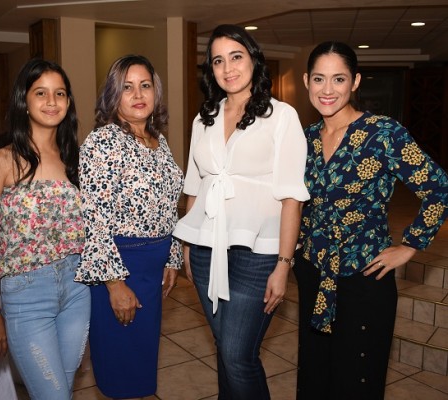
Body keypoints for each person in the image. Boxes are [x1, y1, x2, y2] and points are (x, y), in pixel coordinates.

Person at [295, 41, 448, 400]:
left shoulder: (384, 132)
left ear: (355, 82)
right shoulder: (305, 139)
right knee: (315, 376)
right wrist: (298, 243)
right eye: (319, 79)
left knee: (357, 379)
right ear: (306, 81)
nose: (328, 90)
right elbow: (297, 201)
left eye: (339, 79)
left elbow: (439, 188)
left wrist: (409, 246)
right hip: (314, 272)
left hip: (365, 277)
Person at [173, 24, 310, 399]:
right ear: (211, 70)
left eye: (236, 56)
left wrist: (284, 264)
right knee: (226, 351)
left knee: (237, 354)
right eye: (218, 60)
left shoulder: (281, 116)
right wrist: (188, 247)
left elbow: (292, 199)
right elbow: (195, 187)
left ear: (253, 61)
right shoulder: (204, 119)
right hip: (204, 250)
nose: (228, 68)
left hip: (258, 256)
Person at [0, 58, 91, 400]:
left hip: (77, 289)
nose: (52, 102)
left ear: (68, 103)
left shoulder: (74, 159)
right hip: (26, 295)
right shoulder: (0, 162)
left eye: (60, 93)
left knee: (61, 391)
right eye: (41, 93)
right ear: (24, 100)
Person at [76, 54, 184, 399]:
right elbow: (92, 219)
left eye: (145, 85)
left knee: (141, 370)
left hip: (152, 268)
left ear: (156, 92)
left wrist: (171, 257)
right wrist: (114, 284)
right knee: (121, 373)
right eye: (127, 87)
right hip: (121, 266)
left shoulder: (157, 140)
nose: (138, 94)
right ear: (113, 95)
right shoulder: (102, 142)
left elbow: (167, 206)